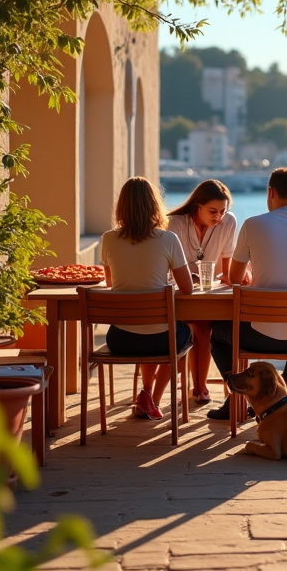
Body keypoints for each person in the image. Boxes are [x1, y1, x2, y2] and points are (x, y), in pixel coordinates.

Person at [206, 167, 287, 421]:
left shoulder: (253, 225)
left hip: (256, 336)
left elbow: (234, 278)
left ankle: (238, 396)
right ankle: (285, 392)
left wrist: (253, 277)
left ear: (270, 192)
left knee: (218, 335)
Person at [99, 177, 194, 420]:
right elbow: (187, 288)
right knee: (178, 333)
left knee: (151, 330)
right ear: (155, 205)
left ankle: (146, 395)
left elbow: (110, 283)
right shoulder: (168, 239)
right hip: (160, 340)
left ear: (121, 207)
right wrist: (164, 285)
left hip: (121, 339)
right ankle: (153, 399)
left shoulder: (108, 238)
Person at [166, 179, 238, 404]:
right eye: (213, 211)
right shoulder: (176, 223)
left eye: (223, 211)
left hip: (210, 294)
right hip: (180, 295)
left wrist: (240, 275)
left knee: (204, 323)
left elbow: (227, 272)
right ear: (198, 205)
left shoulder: (228, 223)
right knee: (200, 324)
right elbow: (167, 269)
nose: (219, 217)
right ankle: (199, 388)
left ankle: (201, 387)